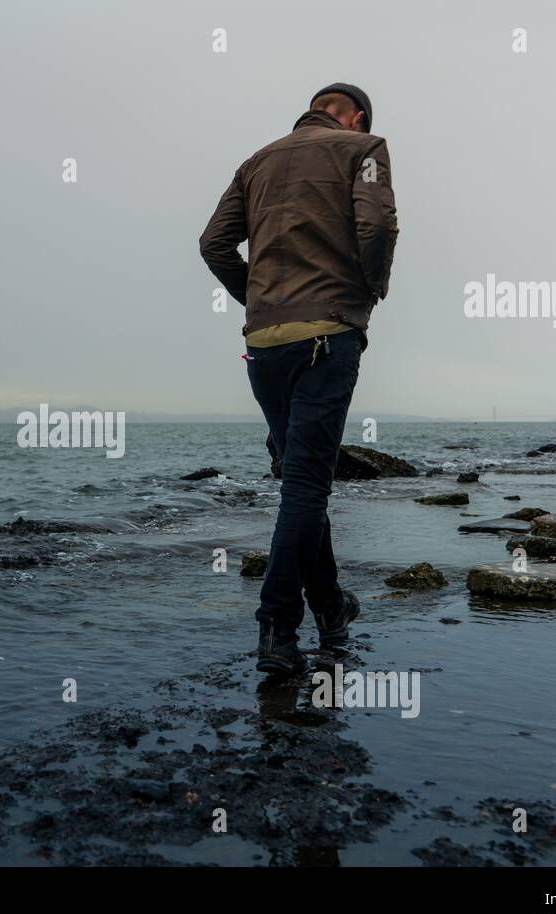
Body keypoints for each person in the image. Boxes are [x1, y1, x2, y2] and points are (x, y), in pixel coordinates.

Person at [199, 83, 398, 675]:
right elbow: (378, 227)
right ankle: (276, 631)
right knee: (306, 489)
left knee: (302, 483)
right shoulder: (365, 147)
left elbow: (213, 245)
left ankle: (332, 610)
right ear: (356, 116)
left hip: (263, 343)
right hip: (326, 334)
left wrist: (255, 299)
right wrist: (367, 293)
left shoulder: (256, 161)